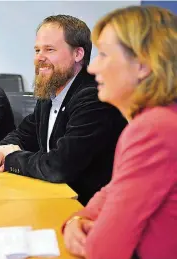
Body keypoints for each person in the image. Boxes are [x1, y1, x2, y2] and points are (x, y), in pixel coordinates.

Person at [62, 5, 177, 259]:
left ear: (143, 64)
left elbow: (103, 250)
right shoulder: (162, 118)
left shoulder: (152, 129)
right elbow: (113, 190)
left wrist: (84, 229)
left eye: (103, 55)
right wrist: (77, 220)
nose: (92, 69)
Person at [0, 15, 127, 205]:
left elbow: (60, 166)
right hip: (54, 198)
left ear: (78, 54)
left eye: (49, 49)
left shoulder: (92, 98)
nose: (39, 58)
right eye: (37, 50)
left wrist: (10, 159)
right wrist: (1, 151)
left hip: (87, 208)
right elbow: (23, 134)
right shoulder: (49, 94)